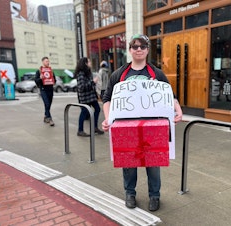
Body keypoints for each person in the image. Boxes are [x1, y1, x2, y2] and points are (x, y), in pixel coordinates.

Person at [101, 34, 183, 212]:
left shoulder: (157, 73)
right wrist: (108, 118)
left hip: (152, 128)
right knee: (128, 163)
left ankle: (155, 196)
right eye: (135, 46)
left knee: (153, 163)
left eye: (143, 46)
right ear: (129, 50)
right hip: (126, 127)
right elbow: (106, 99)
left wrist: (177, 109)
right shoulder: (118, 74)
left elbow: (170, 95)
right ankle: (130, 193)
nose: (139, 49)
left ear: (147, 50)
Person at [75, 57, 104, 137]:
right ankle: (80, 130)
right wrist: (93, 82)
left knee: (97, 109)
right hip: (85, 98)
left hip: (91, 96)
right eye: (89, 61)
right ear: (85, 63)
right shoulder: (81, 73)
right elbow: (81, 87)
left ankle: (94, 127)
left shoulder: (88, 72)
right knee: (84, 112)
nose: (90, 63)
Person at [35, 57, 56, 126]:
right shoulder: (39, 71)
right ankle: (50, 119)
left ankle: (46, 116)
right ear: (43, 62)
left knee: (48, 105)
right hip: (43, 89)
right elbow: (36, 81)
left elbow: (54, 80)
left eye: (48, 61)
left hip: (50, 89)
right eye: (46, 61)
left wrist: (52, 79)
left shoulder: (51, 70)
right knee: (47, 103)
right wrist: (40, 78)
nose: (48, 62)